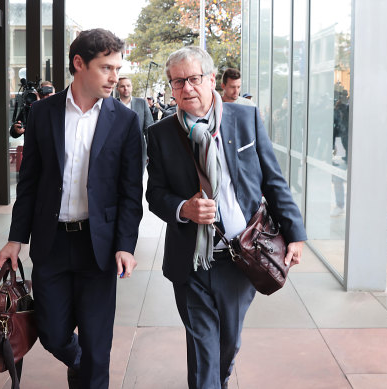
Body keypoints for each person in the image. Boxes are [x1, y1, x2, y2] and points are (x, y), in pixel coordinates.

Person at [146, 46, 306, 389]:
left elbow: (273, 180)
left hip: (242, 256)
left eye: (193, 79)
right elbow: (154, 194)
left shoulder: (245, 119)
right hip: (191, 261)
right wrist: (183, 208)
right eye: (177, 82)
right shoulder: (160, 134)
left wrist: (295, 233)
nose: (186, 88)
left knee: (227, 344)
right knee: (203, 349)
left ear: (210, 79)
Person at [0, 29, 143, 389]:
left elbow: (130, 193)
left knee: (98, 344)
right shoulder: (42, 113)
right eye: (106, 68)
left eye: (117, 68)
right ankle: (85, 364)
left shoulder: (125, 121)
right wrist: (16, 239)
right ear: (79, 64)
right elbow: (29, 183)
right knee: (52, 334)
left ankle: (92, 369)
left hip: (99, 247)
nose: (115, 77)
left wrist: (125, 244)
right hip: (52, 245)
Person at [116, 76, 154, 167]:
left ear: (132, 87)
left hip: (138, 152)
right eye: (122, 86)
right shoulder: (112, 104)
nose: (126, 88)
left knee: (137, 180)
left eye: (128, 86)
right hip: (117, 153)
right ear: (117, 88)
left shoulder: (142, 103)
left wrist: (152, 152)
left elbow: (149, 128)